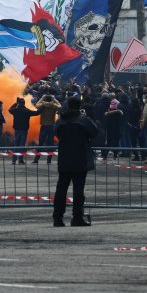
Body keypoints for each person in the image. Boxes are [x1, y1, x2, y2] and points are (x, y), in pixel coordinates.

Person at [52, 97, 98, 227]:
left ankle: (57, 218)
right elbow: (94, 132)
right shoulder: (83, 120)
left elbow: (56, 134)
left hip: (64, 159)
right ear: (79, 106)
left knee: (61, 190)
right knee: (78, 191)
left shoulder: (60, 121)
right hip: (80, 159)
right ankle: (77, 217)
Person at [33, 94, 61, 164]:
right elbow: (60, 106)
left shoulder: (43, 105)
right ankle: (49, 160)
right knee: (50, 143)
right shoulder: (54, 105)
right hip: (51, 126)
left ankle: (36, 159)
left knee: (41, 143)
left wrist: (42, 98)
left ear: (45, 99)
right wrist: (54, 99)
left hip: (44, 126)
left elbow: (36, 105)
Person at [8, 98, 37, 165]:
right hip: (24, 130)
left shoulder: (15, 110)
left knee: (16, 145)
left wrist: (16, 103)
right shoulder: (26, 110)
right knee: (22, 145)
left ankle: (14, 160)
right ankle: (20, 160)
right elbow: (36, 113)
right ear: (24, 103)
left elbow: (10, 109)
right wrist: (42, 109)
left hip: (17, 130)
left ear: (19, 103)